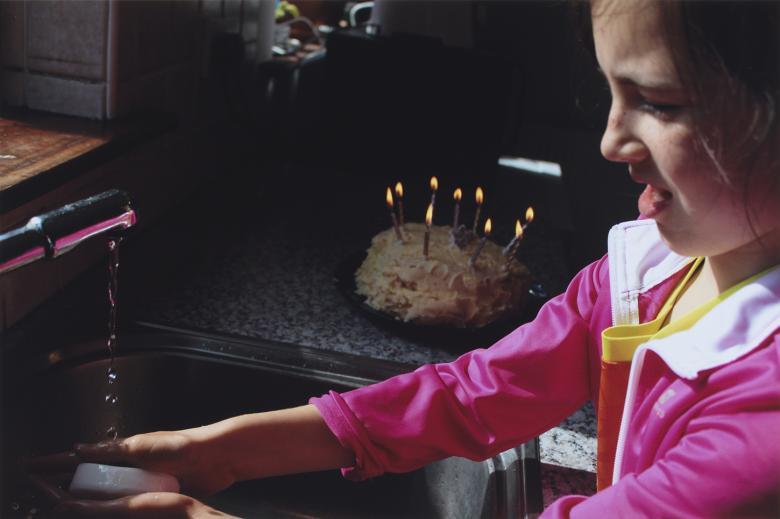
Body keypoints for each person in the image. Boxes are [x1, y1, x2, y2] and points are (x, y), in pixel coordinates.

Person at [29, 0, 780, 516]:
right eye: (611, 95)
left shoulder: (763, 427)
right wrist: (224, 450)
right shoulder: (650, 271)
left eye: (661, 103)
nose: (611, 142)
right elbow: (472, 393)